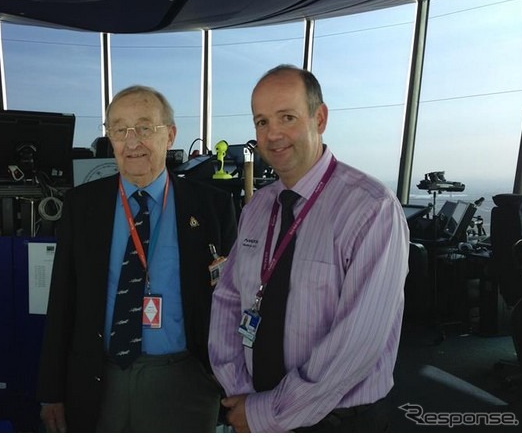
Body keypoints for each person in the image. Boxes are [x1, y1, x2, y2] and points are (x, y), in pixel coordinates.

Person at [209, 64, 409, 432]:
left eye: (287, 117)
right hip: (251, 406)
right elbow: (228, 298)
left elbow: (357, 342)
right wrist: (239, 390)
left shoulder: (370, 209)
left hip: (336, 419)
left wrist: (267, 413)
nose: (273, 135)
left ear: (320, 118)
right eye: (262, 122)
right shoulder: (258, 207)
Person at [37, 85, 238, 432]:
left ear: (170, 135)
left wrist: (233, 384)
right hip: (100, 378)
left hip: (186, 379)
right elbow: (62, 302)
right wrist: (51, 391)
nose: (132, 142)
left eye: (145, 128)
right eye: (119, 129)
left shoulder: (212, 207)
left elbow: (231, 302)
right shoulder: (82, 205)